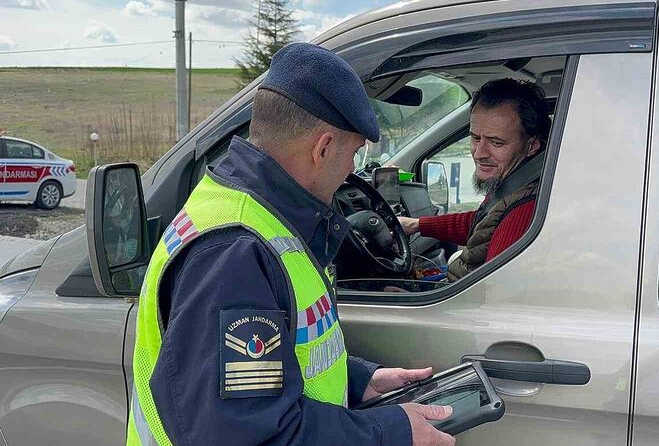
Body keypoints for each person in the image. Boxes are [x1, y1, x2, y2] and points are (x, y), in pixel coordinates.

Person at [126, 43, 454, 446]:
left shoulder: (245, 210)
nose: (352, 169)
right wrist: (391, 431)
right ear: (323, 147)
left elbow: (268, 367)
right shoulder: (234, 252)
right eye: (353, 153)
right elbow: (245, 435)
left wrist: (360, 380)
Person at [398, 78, 550, 281]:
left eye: (496, 142)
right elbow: (485, 222)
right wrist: (417, 224)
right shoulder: (513, 185)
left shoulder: (526, 210)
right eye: (475, 138)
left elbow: (490, 296)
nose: (479, 153)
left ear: (532, 146)